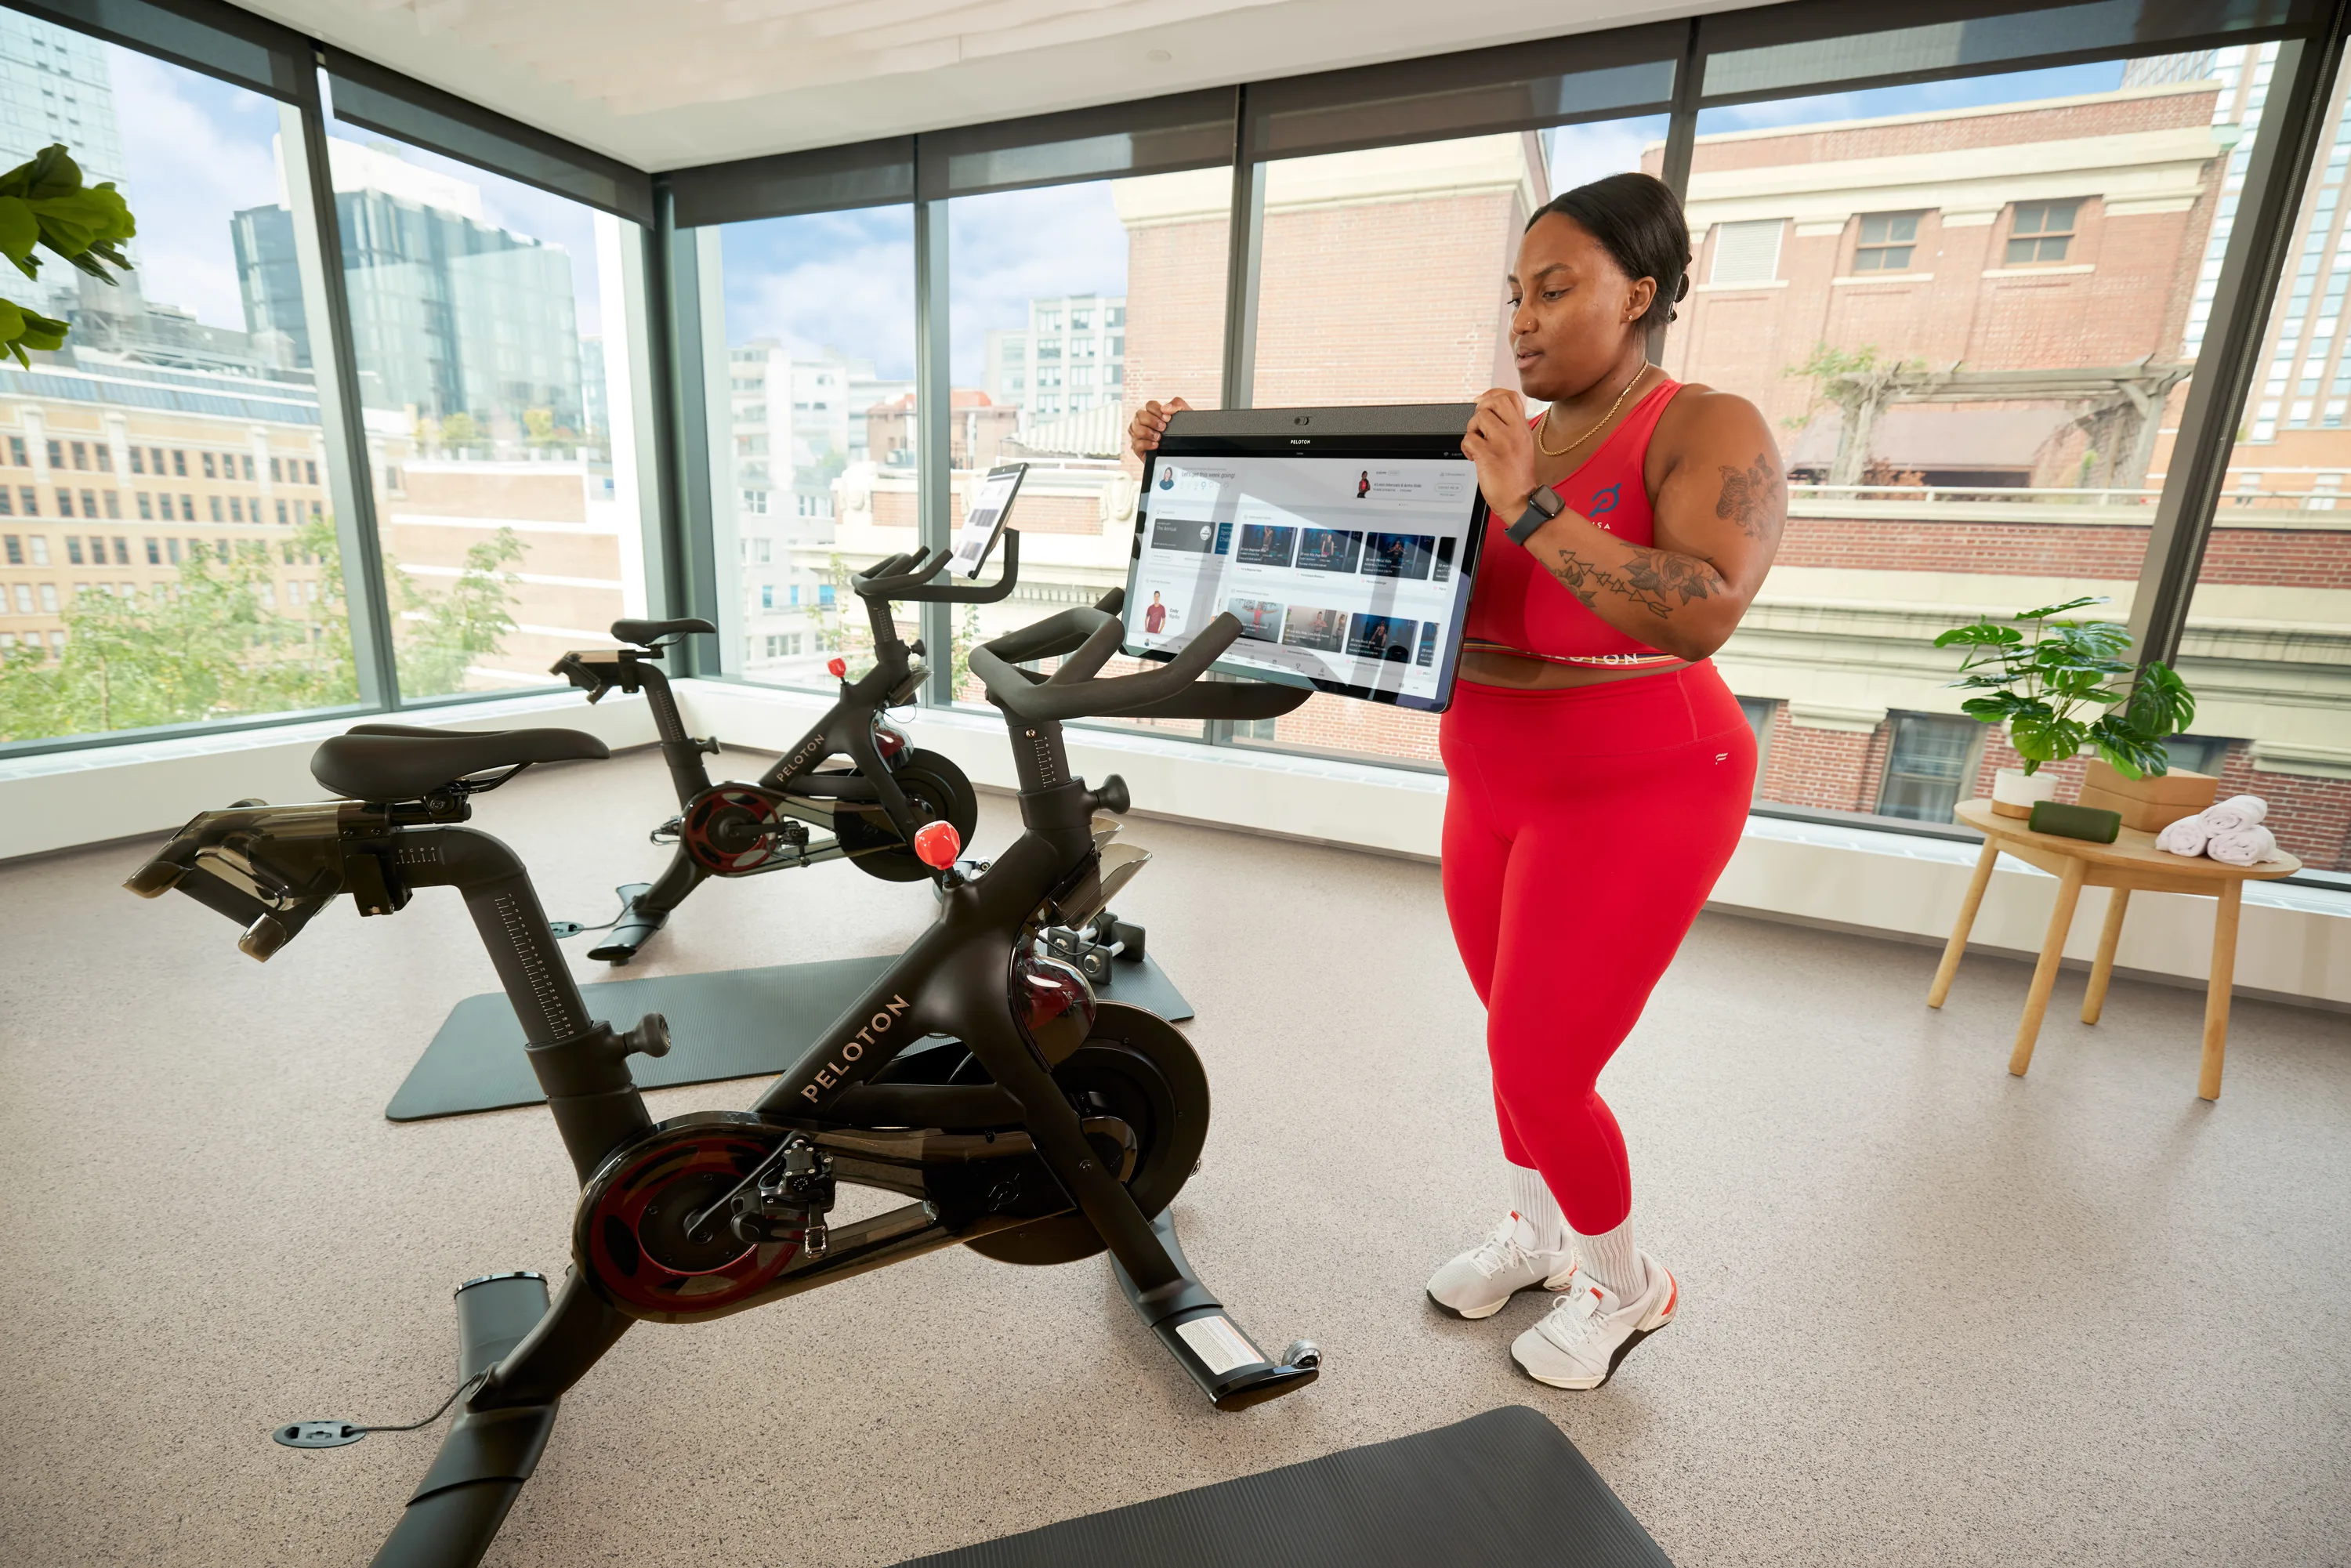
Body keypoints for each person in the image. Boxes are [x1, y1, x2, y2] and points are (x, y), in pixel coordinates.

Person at [1129, 172, 1783, 1391]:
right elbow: (1351, 551)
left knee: (1545, 1062)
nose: (1523, 318)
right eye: (1514, 294)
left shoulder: (1706, 425)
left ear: (1639, 295)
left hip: (1648, 779)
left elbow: (1705, 613)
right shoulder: (1489, 429)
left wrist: (1528, 503)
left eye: (1556, 289)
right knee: (1509, 1040)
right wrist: (1186, 470)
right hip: (1491, 773)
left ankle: (1630, 1287)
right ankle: (1539, 1235)